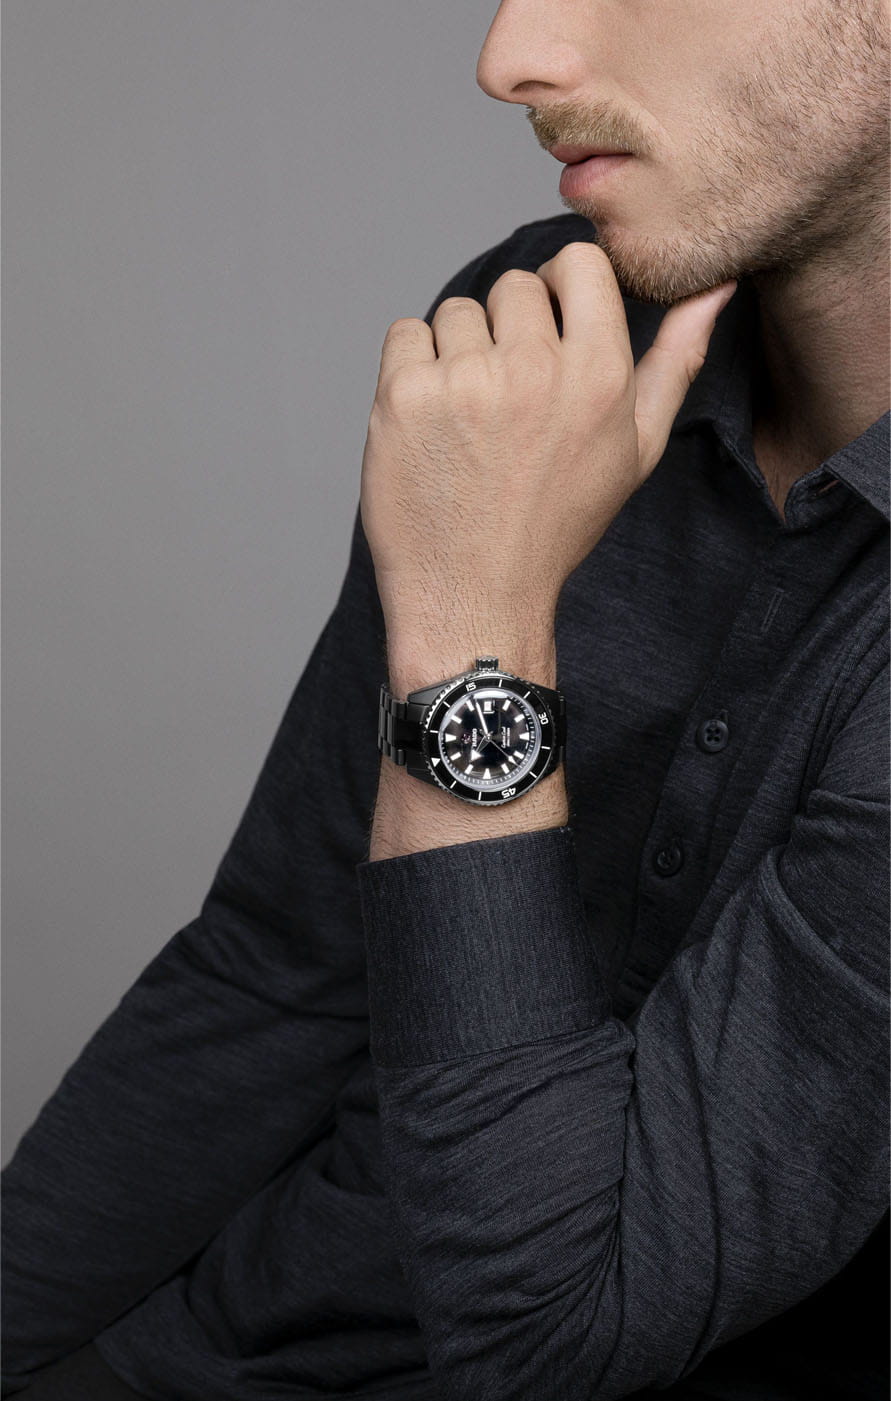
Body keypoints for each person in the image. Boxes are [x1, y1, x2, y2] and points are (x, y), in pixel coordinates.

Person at [4, 1, 889, 1398]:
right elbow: (279, 965)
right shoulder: (543, 339)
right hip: (227, 1327)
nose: (509, 56)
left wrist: (473, 616)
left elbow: (548, 1337)